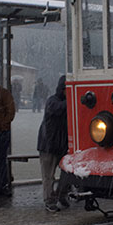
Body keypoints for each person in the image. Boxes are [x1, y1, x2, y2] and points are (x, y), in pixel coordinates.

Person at [37, 75, 68, 212]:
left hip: (58, 145)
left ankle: (60, 195)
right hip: (49, 146)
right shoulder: (52, 101)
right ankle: (50, 199)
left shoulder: (57, 101)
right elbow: (58, 109)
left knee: (65, 175)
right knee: (48, 176)